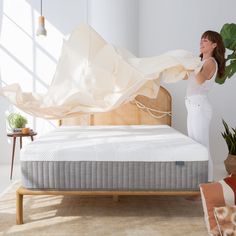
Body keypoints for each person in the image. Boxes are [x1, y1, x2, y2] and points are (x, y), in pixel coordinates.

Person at [184, 30, 225, 182]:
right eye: (201, 39)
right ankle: (198, 184)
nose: (201, 42)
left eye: (206, 41)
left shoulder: (210, 62)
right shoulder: (200, 62)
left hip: (199, 107)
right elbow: (188, 77)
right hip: (193, 106)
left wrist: (193, 66)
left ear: (214, 45)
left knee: (201, 147)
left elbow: (200, 80)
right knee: (195, 145)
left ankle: (205, 185)